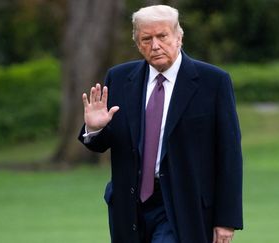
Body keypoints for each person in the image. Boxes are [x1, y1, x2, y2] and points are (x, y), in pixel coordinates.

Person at [78, 5, 243, 243]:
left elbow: (229, 154)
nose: (155, 45)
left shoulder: (213, 82)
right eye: (146, 39)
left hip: (183, 204)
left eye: (162, 36)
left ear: (179, 37)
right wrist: (95, 128)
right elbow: (101, 144)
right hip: (130, 208)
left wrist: (226, 219)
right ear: (137, 43)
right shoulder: (119, 78)